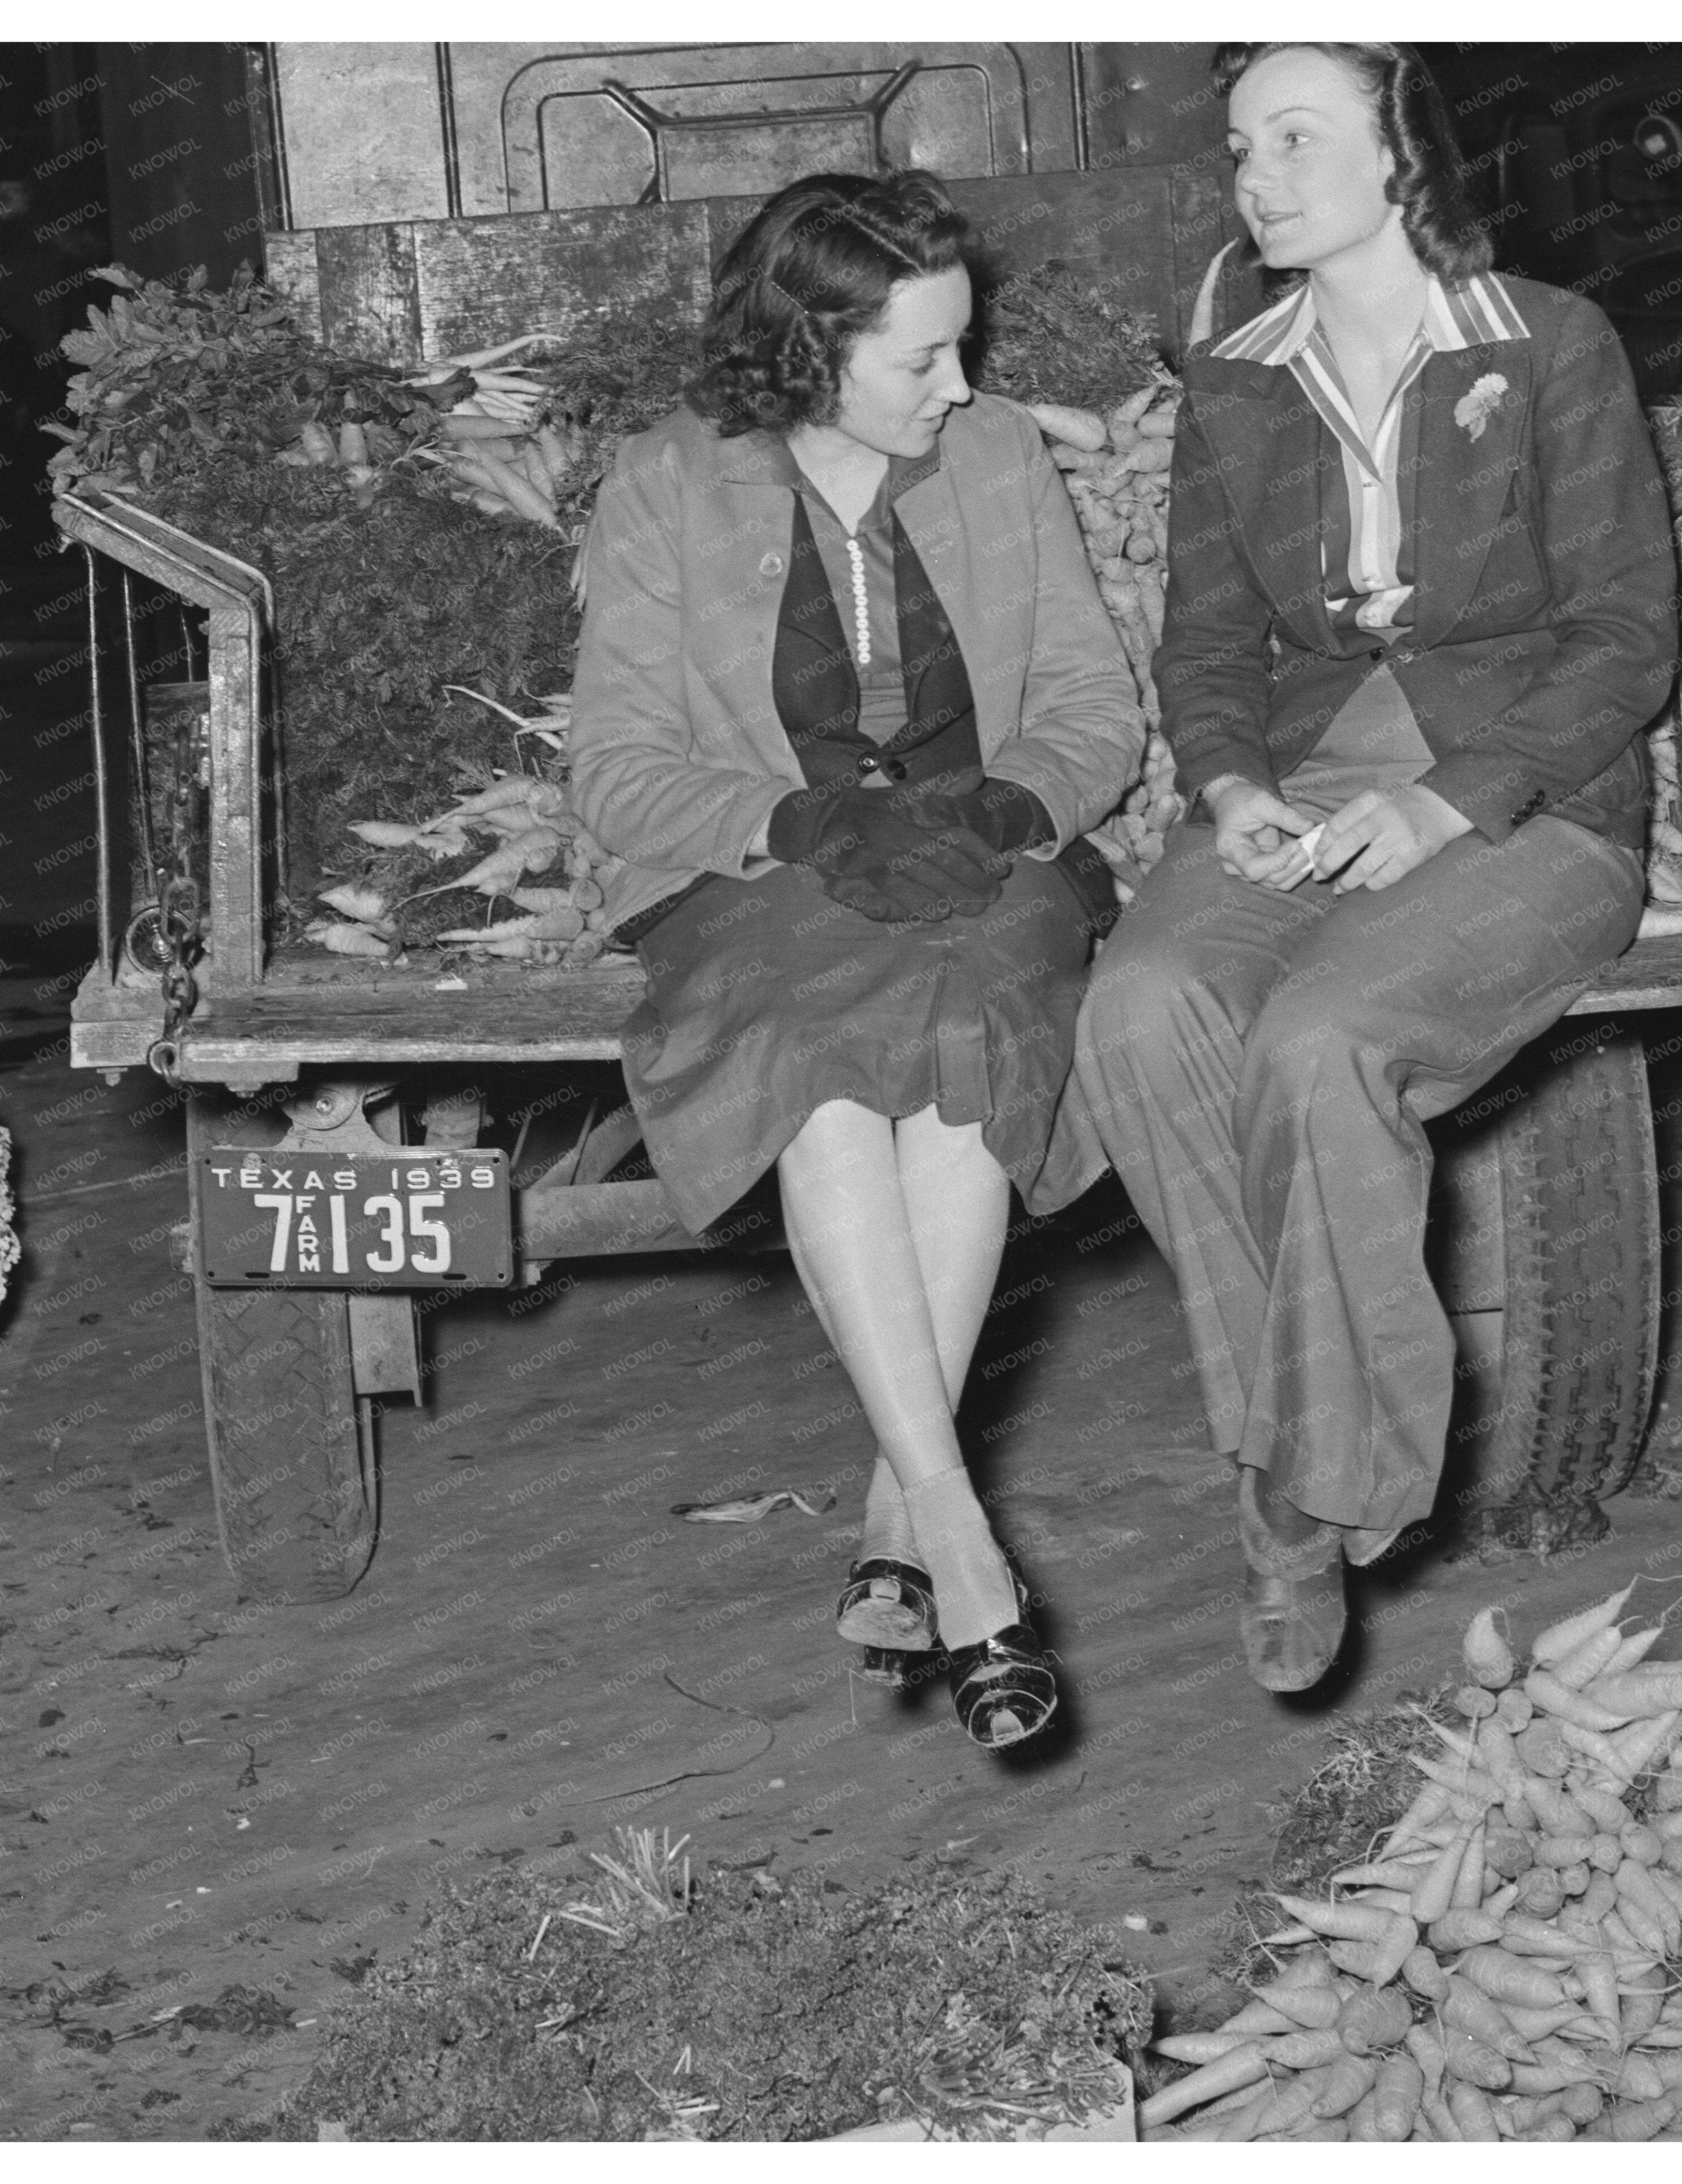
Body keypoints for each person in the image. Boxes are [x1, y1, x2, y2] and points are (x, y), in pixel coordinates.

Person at [1072, 44, 1676, 1691]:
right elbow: (1207, 638)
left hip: (1533, 801)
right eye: (1240, 145)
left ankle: (1302, 1501)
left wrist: (1449, 801)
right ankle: (1287, 1437)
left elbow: (1627, 638)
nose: (1257, 175)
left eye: (1296, 137)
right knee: (1140, 1007)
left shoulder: (1549, 345)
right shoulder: (1238, 376)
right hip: (1314, 770)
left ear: (1403, 158)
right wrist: (1231, 782)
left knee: (1322, 1041)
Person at [568, 171, 1144, 1748]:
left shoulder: (1001, 455)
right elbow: (615, 768)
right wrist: (805, 826)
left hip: (985, 857)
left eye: (964, 349)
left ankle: (911, 1525)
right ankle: (955, 1541)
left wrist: (1012, 802)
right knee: (821, 1081)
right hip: (761, 871)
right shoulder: (669, 484)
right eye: (922, 359)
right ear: (807, 349)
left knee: (961, 1060)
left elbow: (1097, 709)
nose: (961, 387)